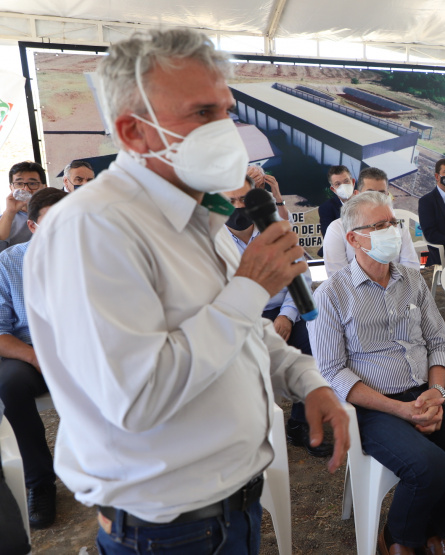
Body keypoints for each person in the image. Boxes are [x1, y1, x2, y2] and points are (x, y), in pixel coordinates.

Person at [23, 29, 349, 552]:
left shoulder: (198, 214)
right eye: (202, 113)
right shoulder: (92, 230)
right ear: (133, 132)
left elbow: (243, 332)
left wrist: (307, 379)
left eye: (226, 111)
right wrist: (250, 285)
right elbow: (138, 397)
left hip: (233, 510)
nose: (227, 131)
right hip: (168, 534)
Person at [310, 191, 445, 555]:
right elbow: (333, 372)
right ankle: (398, 538)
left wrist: (437, 392)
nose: (392, 231)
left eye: (393, 223)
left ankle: (436, 526)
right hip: (373, 407)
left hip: (426, 391)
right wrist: (401, 410)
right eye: (379, 226)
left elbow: (440, 343)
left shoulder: (413, 280)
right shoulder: (331, 295)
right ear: (353, 238)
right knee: (430, 465)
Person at [223, 175, 333, 457]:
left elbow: (301, 277)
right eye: (230, 201)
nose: (238, 207)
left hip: (280, 309)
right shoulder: (208, 240)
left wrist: (287, 316)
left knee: (315, 341)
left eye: (244, 199)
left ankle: (301, 422)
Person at [0, 187, 67, 529]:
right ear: (33, 226)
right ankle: (39, 483)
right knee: (9, 384)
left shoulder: (92, 258)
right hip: (30, 353)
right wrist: (34, 355)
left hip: (81, 348)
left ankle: (115, 466)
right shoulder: (9, 263)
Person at [323, 167, 420, 275]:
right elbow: (338, 277)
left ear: (388, 196)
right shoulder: (337, 229)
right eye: (370, 194)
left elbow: (412, 269)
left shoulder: (398, 226)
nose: (376, 199)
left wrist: (393, 284)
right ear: (357, 195)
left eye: (381, 194)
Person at [0, 161, 48, 252]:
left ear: (44, 187)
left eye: (32, 184)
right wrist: (10, 212)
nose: (26, 189)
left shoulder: (54, 213)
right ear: (11, 188)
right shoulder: (5, 218)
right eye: (19, 184)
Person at [319, 165, 355, 237]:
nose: (343, 186)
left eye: (346, 181)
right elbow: (329, 237)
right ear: (333, 189)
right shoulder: (326, 208)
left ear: (353, 182)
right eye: (338, 184)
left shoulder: (366, 203)